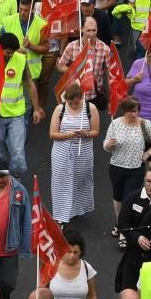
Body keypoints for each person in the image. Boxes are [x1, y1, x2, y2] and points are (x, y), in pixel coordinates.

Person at [104, 96, 151, 243]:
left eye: (136, 111)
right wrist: (109, 145)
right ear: (124, 111)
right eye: (130, 111)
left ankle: (124, 232)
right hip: (116, 166)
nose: (134, 114)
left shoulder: (144, 124)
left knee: (129, 198)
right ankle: (119, 223)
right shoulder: (115, 124)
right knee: (118, 197)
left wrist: (148, 153)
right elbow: (105, 145)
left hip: (135, 169)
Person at [48, 83, 99, 225]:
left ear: (81, 98)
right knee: (60, 182)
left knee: (80, 180)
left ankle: (75, 210)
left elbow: (96, 131)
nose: (74, 105)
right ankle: (60, 214)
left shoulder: (90, 108)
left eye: (76, 102)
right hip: (62, 151)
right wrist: (69, 135)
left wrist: (86, 134)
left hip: (83, 152)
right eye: (71, 102)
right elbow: (52, 133)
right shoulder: (60, 108)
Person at [0, 32, 43, 178]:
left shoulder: (20, 60)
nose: (10, 55)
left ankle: (16, 184)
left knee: (18, 153)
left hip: (16, 115)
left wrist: (36, 109)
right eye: (8, 52)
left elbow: (30, 85)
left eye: (12, 52)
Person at [116, 165, 151, 291]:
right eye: (148, 181)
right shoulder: (132, 198)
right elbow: (123, 224)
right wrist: (137, 238)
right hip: (133, 256)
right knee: (128, 293)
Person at [0, 157, 32, 299]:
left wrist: (25, 248)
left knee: (9, 283)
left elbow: (26, 220)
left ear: (9, 173)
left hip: (9, 248)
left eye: (2, 176)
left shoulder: (19, 191)